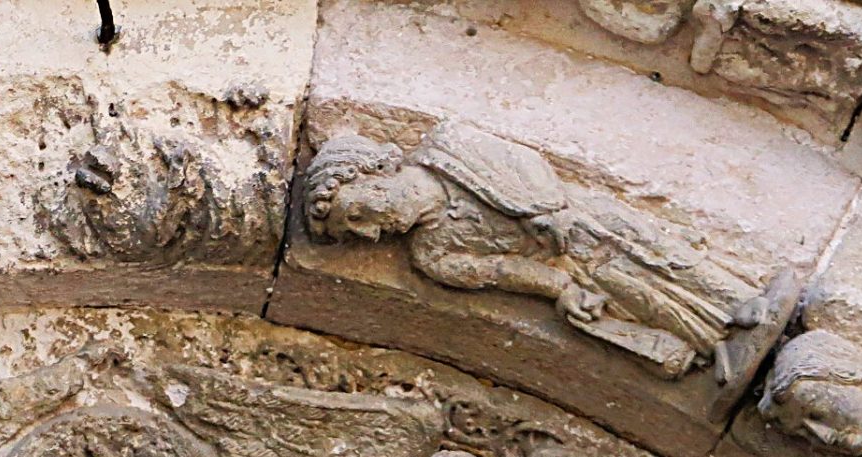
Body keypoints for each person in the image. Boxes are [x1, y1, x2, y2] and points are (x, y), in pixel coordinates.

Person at [300, 122, 775, 381]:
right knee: (644, 299)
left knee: (665, 255)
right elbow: (505, 272)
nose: (369, 234)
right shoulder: (432, 256)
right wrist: (561, 288)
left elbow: (522, 163)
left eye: (357, 214)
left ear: (375, 169)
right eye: (355, 234)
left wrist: (542, 209)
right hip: (574, 264)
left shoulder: (450, 147)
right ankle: (715, 341)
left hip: (581, 220)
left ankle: (740, 300)